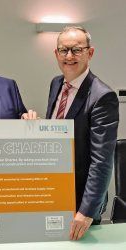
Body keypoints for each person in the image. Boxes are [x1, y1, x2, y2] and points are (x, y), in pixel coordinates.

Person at [46, 26, 119, 240]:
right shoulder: (56, 84)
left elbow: (102, 161)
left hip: (81, 202)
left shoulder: (102, 97)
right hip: (54, 191)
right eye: (63, 50)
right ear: (56, 54)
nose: (69, 56)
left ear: (90, 52)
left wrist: (86, 212)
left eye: (76, 50)